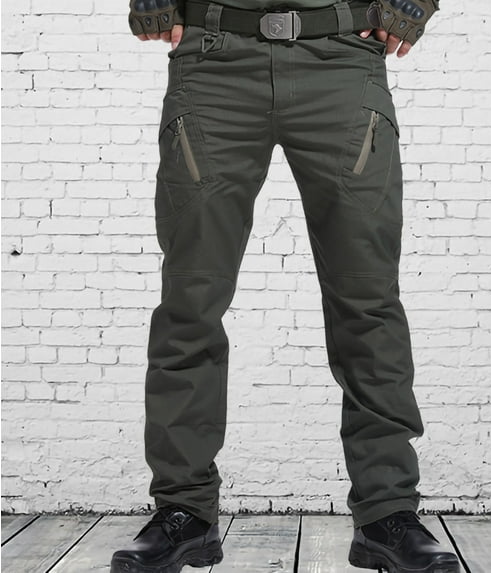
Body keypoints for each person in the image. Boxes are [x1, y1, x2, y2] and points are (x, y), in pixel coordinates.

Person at [111, 0, 461, 571]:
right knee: (190, 304)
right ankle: (184, 511)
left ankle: (387, 513)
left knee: (367, 301)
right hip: (214, 61)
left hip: (343, 58)